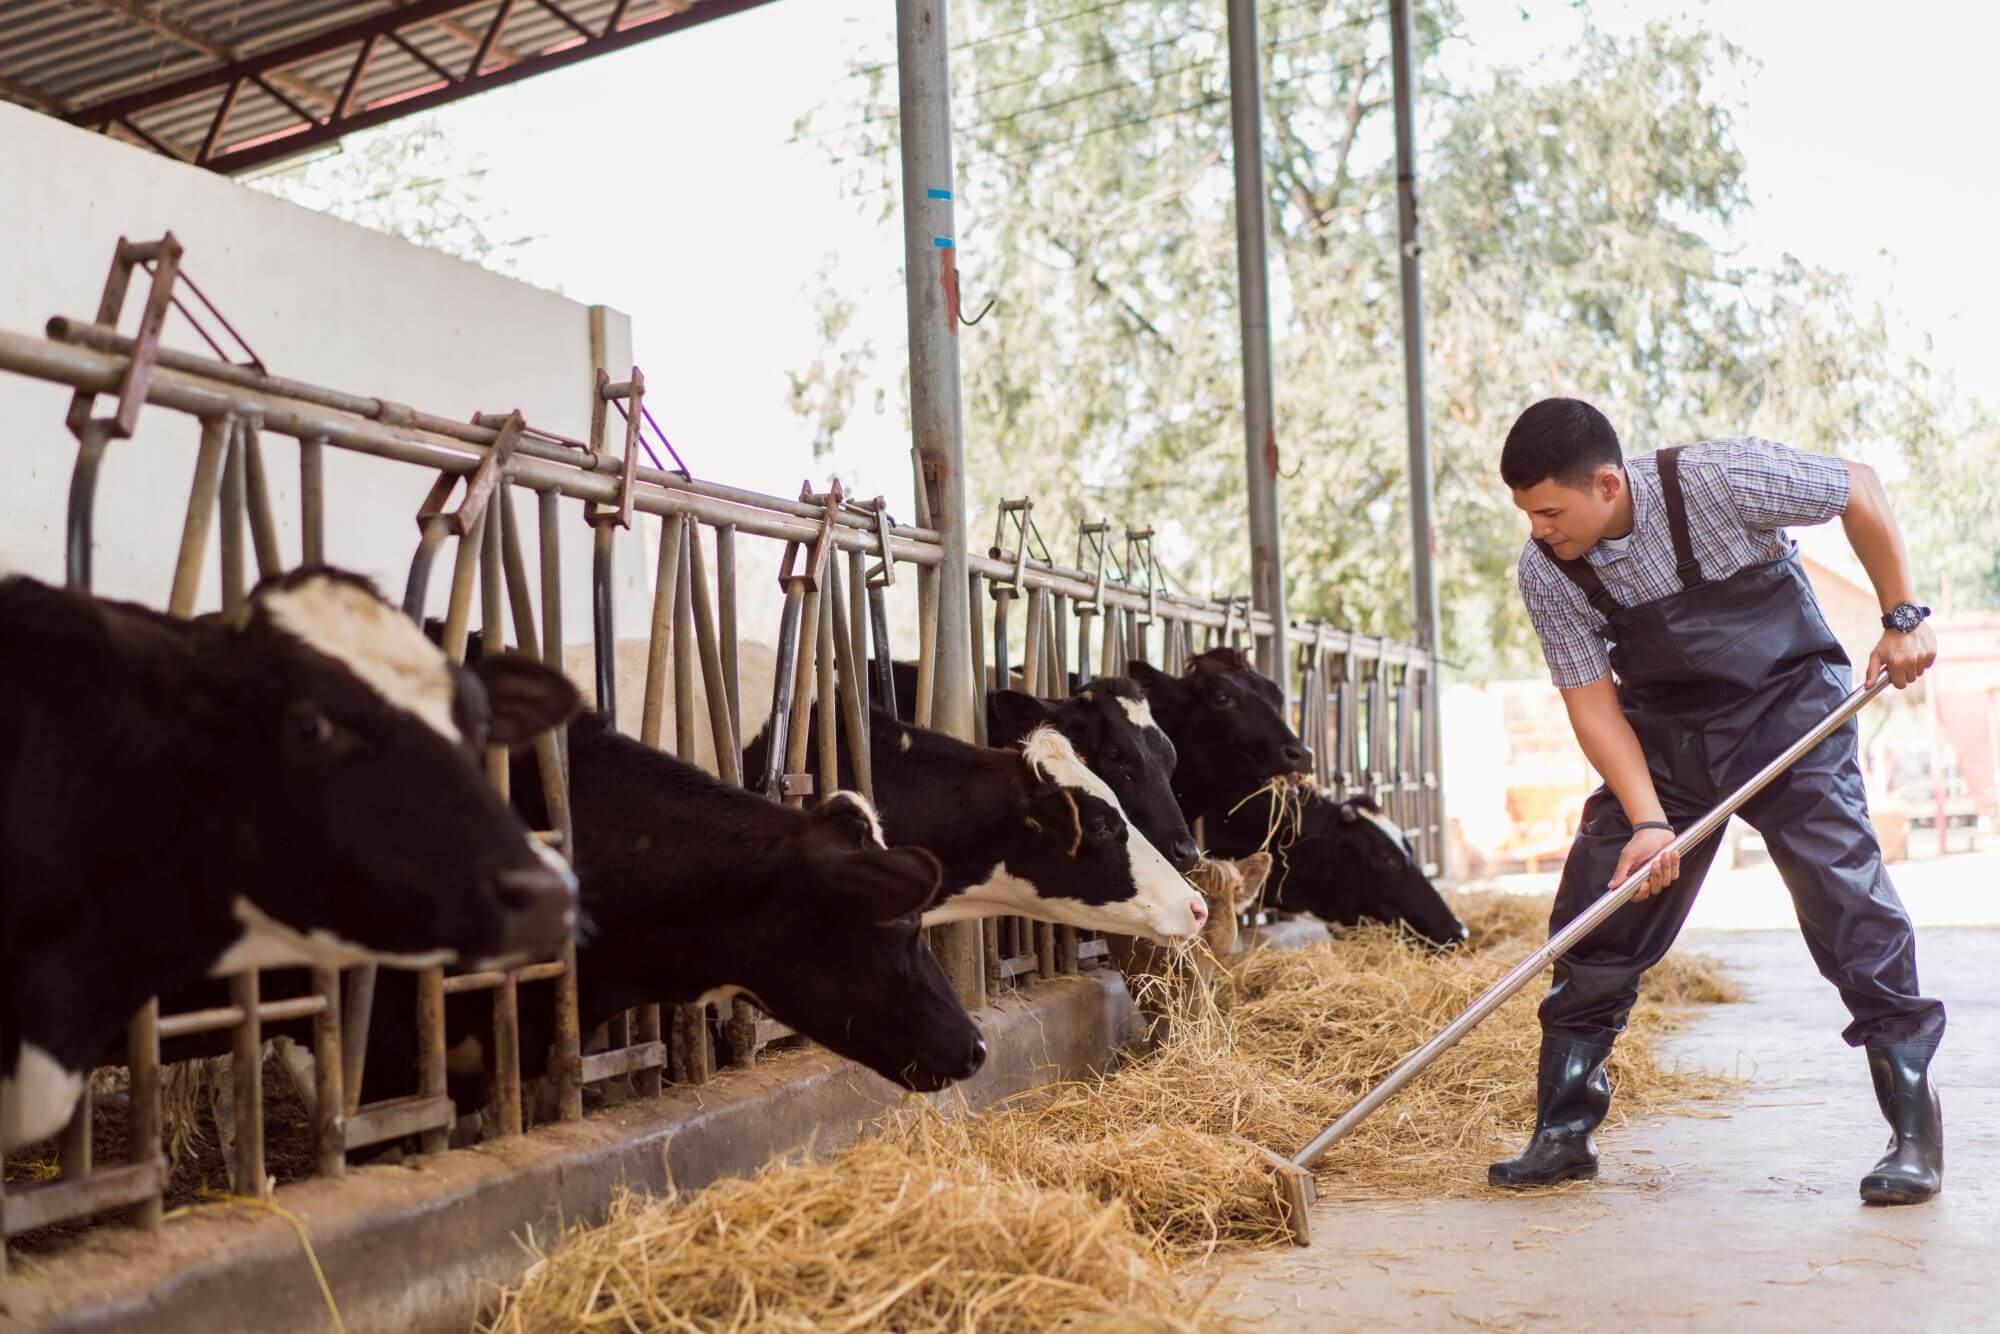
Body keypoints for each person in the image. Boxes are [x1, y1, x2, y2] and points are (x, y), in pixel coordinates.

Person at [1489, 398, 1945, 1205]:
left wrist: (1901, 617)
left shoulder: (1717, 479)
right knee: (1603, 907)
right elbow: (1591, 700)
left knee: (1846, 903)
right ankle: (1563, 1131)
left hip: (1789, 712)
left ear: (1605, 483)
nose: (1538, 530)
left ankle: (1913, 1130)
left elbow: (1860, 488)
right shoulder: (1546, 570)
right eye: (1527, 514)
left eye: (1550, 511)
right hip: (1668, 741)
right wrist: (1647, 820)